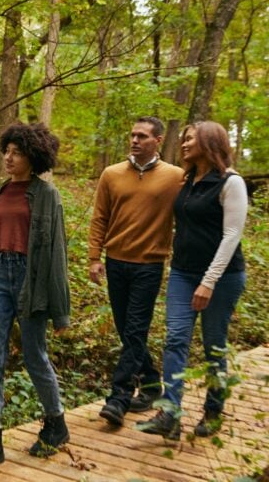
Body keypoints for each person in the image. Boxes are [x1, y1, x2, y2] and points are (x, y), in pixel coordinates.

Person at [0, 123, 70, 471]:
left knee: (35, 355)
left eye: (16, 152)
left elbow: (56, 254)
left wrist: (60, 312)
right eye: (6, 150)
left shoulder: (46, 195)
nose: (8, 157)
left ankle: (56, 422)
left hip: (30, 279)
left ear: (33, 156)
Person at [137, 121, 248, 440]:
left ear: (210, 141)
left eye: (190, 139)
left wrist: (209, 281)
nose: (183, 144)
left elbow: (231, 236)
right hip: (183, 274)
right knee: (175, 339)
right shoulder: (188, 180)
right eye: (183, 139)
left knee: (214, 345)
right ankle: (170, 413)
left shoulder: (231, 182)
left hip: (223, 278)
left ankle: (213, 411)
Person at [88, 117, 184, 427]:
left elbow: (198, 201)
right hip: (116, 262)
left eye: (142, 136)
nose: (134, 140)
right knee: (126, 329)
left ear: (158, 140)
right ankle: (153, 385)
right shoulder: (111, 174)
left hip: (149, 265)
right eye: (132, 134)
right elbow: (100, 217)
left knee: (135, 330)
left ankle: (119, 397)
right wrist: (94, 256)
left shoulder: (176, 177)